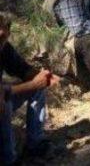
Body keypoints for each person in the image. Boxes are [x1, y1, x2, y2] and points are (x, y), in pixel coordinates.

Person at [0, 13, 60, 164]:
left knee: (37, 86)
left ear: (8, 31)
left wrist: (44, 76)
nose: (0, 35)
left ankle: (35, 143)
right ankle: (9, 160)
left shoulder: (4, 47)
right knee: (4, 105)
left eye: (3, 30)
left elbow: (24, 70)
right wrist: (34, 83)